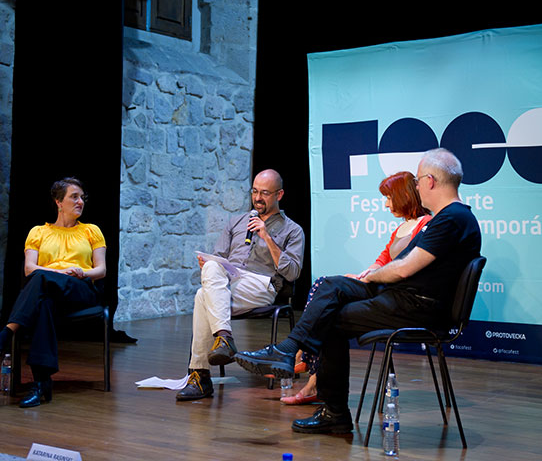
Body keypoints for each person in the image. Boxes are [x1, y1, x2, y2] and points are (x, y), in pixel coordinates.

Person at [235, 148, 481, 434]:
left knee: (331, 320)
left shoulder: (452, 219)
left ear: (430, 181)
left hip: (416, 306)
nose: (416, 188)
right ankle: (289, 352)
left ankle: (332, 409)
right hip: (403, 298)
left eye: (417, 182)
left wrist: (373, 276)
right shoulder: (450, 218)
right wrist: (370, 277)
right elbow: (401, 266)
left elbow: (404, 268)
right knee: (330, 285)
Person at [281, 171, 431, 405]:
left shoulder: (425, 225)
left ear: (404, 195)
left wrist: (370, 277)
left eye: (389, 197)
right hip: (382, 287)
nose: (386, 204)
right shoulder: (400, 229)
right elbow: (382, 260)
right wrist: (363, 275)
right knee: (324, 285)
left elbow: (405, 267)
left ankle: (304, 360)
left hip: (396, 297)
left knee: (330, 303)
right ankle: (309, 369)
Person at [0, 177, 107, 408]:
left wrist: (81, 272)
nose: (80, 201)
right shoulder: (38, 232)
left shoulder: (91, 231)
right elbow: (29, 268)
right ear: (59, 202)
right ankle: (40, 383)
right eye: (74, 197)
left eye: (82, 197)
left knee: (40, 279)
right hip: (50, 292)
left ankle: (3, 338)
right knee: (44, 302)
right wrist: (58, 272)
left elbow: (101, 270)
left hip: (80, 289)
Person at [176, 169, 305, 401]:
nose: (258, 198)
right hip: (230, 281)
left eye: (264, 193)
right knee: (208, 277)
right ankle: (223, 338)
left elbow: (293, 273)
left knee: (202, 296)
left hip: (262, 285)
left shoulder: (292, 230)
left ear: (279, 195)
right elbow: (218, 258)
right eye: (254, 191)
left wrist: (267, 238)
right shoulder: (236, 222)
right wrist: (207, 264)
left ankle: (200, 375)